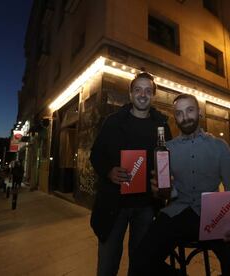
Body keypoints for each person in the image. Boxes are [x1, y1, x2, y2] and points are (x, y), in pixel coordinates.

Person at [134, 94, 230, 276]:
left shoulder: (220, 146)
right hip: (176, 213)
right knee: (139, 264)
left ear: (199, 112)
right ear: (175, 117)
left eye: (190, 110)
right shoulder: (167, 149)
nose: (185, 117)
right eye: (179, 113)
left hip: (215, 215)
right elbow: (166, 192)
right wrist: (160, 191)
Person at [89, 72, 172, 276]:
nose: (143, 94)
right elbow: (96, 155)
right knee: (107, 267)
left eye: (148, 90)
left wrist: (164, 179)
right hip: (114, 206)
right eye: (138, 90)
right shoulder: (113, 122)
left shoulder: (162, 125)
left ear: (153, 95)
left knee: (140, 265)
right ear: (130, 93)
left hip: (146, 207)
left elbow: (169, 161)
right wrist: (109, 171)